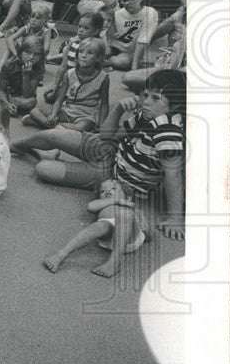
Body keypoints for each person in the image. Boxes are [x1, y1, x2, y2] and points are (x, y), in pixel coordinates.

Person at [10, 69, 186, 241]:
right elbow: (107, 137)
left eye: (155, 98)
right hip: (110, 152)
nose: (146, 102)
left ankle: (46, 155)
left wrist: (176, 219)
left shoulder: (169, 132)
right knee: (53, 135)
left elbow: (173, 175)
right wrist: (117, 110)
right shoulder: (146, 116)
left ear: (175, 105)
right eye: (145, 95)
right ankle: (18, 145)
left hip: (115, 179)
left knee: (44, 169)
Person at [41, 179, 147, 278]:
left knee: (125, 215)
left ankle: (114, 262)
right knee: (99, 226)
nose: (108, 191)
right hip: (108, 237)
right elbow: (90, 207)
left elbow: (146, 229)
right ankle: (60, 254)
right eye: (103, 191)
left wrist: (143, 228)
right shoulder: (102, 205)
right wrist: (116, 201)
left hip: (129, 239)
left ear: (128, 197)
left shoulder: (131, 208)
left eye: (114, 189)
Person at [24, 37, 109, 132]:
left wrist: (102, 124)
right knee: (34, 111)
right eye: (81, 51)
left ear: (98, 58)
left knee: (83, 127)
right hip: (66, 111)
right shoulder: (69, 73)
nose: (83, 55)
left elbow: (104, 104)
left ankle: (46, 124)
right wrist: (53, 114)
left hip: (86, 115)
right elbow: (60, 99)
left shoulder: (103, 77)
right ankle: (58, 126)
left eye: (90, 53)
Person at [122, 0, 186, 94]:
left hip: (185, 72)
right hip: (168, 66)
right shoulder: (179, 15)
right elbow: (150, 36)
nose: (186, 1)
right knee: (128, 77)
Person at [0, 4, 54, 78]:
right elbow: (10, 39)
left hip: (36, 58)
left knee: (33, 73)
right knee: (14, 44)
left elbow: (46, 49)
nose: (33, 20)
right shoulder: (26, 28)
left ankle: (34, 73)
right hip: (23, 55)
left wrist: (35, 54)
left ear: (45, 21)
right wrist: (15, 53)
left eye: (38, 18)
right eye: (32, 17)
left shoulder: (46, 32)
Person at [106, 0, 159, 71]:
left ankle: (104, 62)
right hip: (118, 47)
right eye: (124, 0)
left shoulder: (150, 13)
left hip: (133, 52)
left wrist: (134, 70)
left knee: (121, 62)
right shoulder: (118, 14)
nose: (127, 3)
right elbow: (109, 36)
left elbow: (142, 41)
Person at [0, 34, 45, 116]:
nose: (31, 57)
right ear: (21, 52)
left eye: (36, 54)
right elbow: (1, 89)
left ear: (40, 57)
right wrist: (7, 103)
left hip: (22, 97)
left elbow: (27, 94)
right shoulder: (9, 65)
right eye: (28, 52)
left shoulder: (39, 68)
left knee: (30, 102)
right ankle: (2, 102)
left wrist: (26, 74)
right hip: (7, 92)